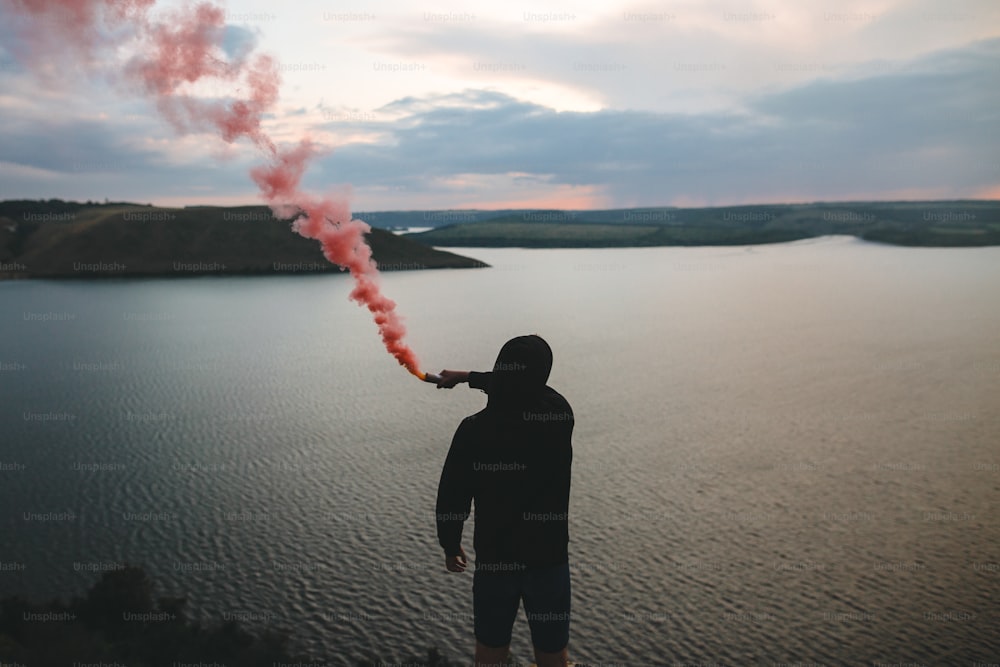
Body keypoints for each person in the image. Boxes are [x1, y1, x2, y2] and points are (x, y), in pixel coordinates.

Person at [434, 334, 574, 667]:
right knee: (554, 656)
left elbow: (452, 494)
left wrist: (450, 544)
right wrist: (470, 377)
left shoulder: (473, 430)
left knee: (490, 654)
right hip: (549, 560)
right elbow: (526, 386)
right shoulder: (558, 416)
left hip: (496, 561)